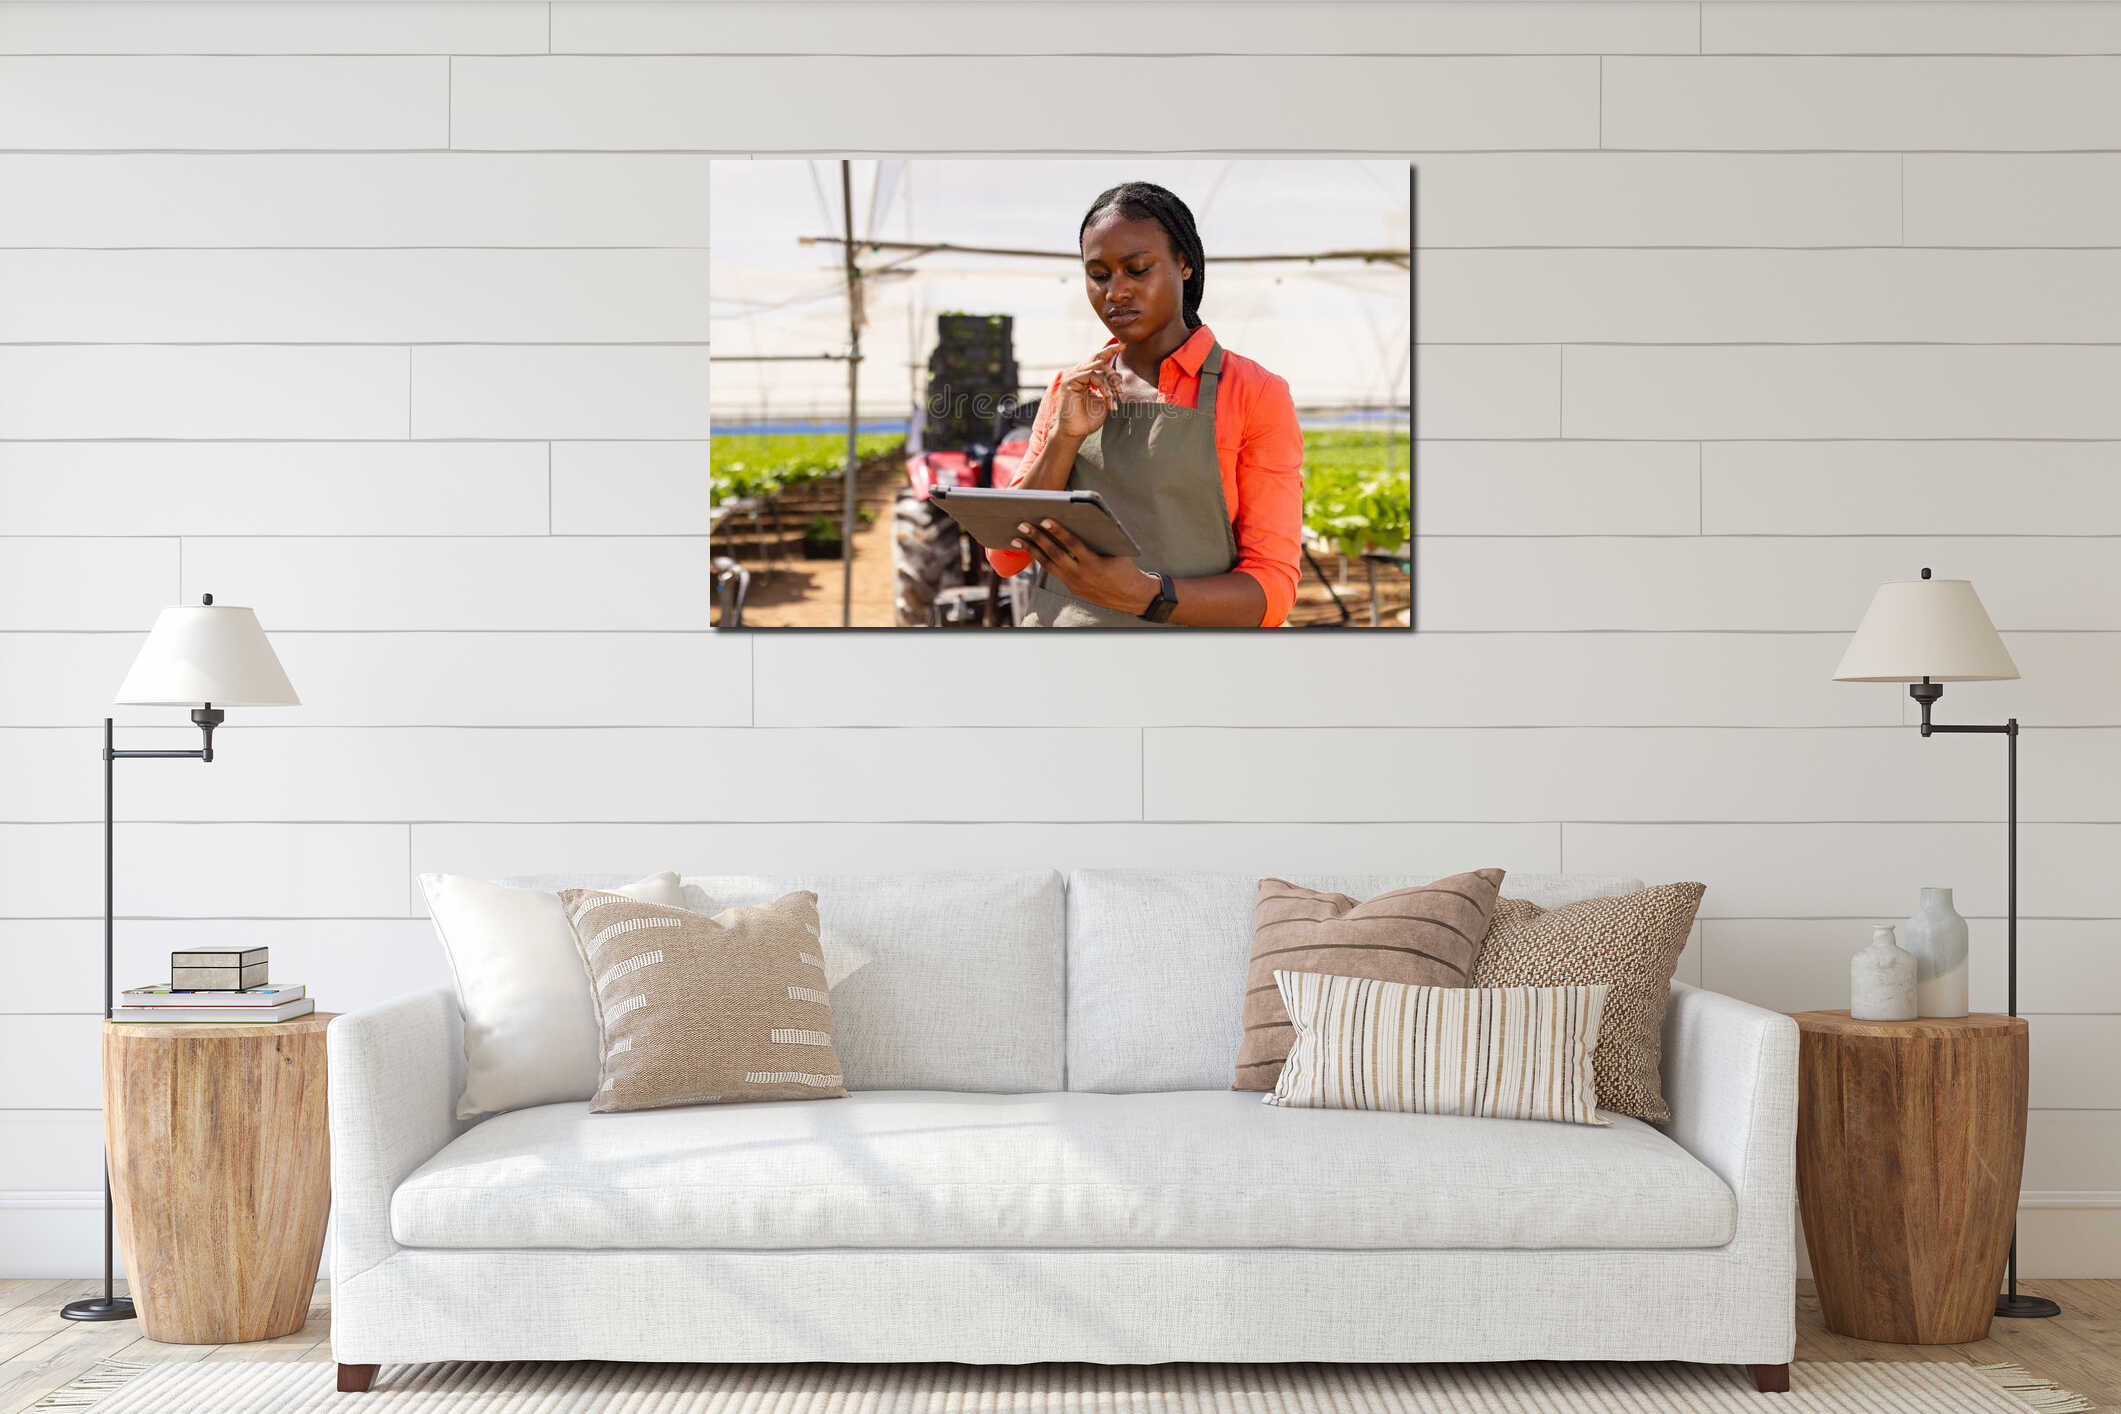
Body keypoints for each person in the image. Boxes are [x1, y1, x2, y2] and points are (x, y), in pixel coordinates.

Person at [986, 182, 1304, 627]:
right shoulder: (1069, 388)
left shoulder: (1253, 392)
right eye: (1099, 275)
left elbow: (1273, 587)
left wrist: (1146, 596)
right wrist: (1064, 437)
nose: (1115, 292)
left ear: (1185, 264)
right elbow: (1005, 556)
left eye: (1137, 269)